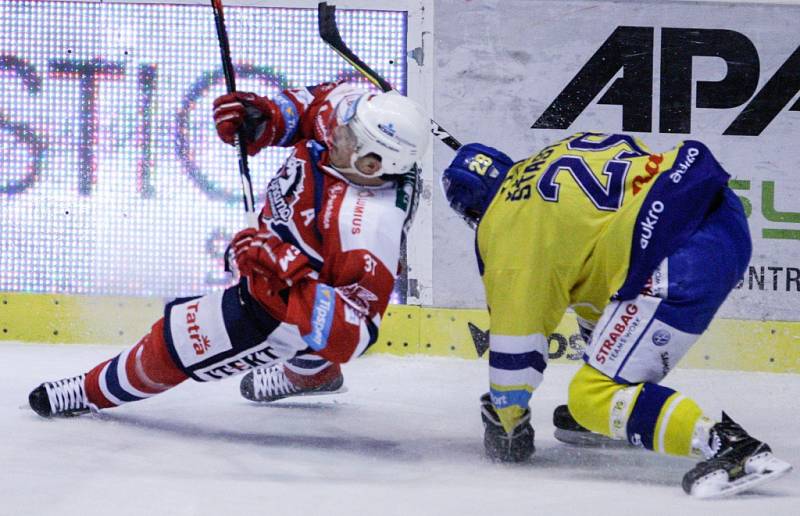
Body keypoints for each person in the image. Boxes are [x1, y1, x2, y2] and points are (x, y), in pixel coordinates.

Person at [28, 81, 429, 416]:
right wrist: (267, 118)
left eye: (345, 136)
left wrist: (291, 274)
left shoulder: (366, 230)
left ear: (372, 165)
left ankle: (90, 391)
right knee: (308, 322)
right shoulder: (359, 125)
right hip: (290, 252)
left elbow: (353, 335)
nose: (333, 130)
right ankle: (313, 372)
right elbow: (317, 105)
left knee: (172, 344)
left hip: (275, 308)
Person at [441, 132, 792, 497]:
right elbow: (602, 262)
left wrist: (507, 419)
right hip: (721, 214)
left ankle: (728, 445)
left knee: (591, 396)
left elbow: (516, 342)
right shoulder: (558, 152)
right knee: (608, 339)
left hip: (679, 259)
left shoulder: (504, 227)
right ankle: (622, 412)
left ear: (472, 212)